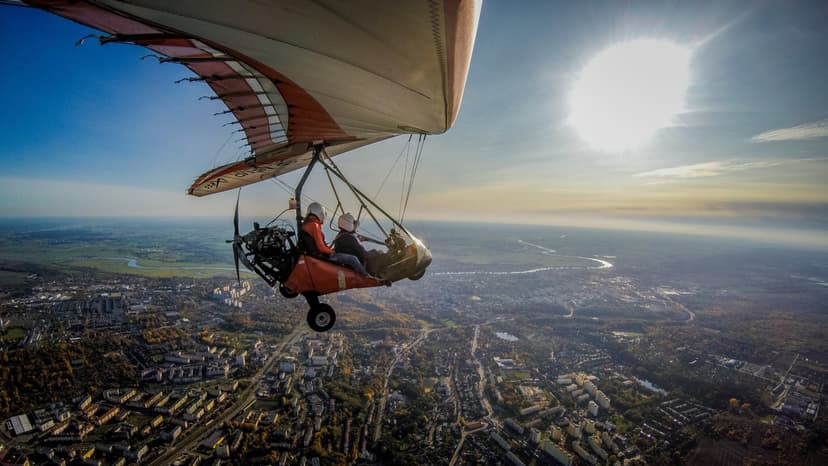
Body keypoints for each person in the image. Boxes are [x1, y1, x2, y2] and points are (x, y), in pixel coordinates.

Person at [299, 202, 369, 276]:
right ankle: (366, 276)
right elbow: (321, 247)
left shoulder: (306, 224)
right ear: (320, 213)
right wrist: (332, 252)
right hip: (323, 256)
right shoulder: (314, 225)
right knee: (353, 259)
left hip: (317, 254)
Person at [332, 213, 390, 282]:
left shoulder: (341, 236)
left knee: (376, 252)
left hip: (355, 262)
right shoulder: (348, 238)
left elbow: (352, 248)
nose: (355, 226)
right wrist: (375, 253)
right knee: (380, 254)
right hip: (363, 264)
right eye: (353, 224)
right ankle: (381, 276)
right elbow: (364, 255)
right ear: (348, 224)